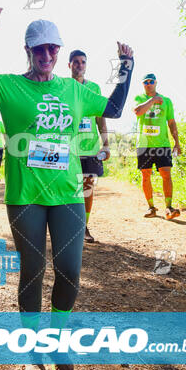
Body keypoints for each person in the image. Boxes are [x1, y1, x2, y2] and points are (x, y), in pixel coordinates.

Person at [0, 5, 134, 370]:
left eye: (54, 49)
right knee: (33, 271)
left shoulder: (73, 89)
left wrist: (125, 67)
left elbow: (115, 108)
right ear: (28, 51)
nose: (48, 56)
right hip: (25, 196)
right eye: (40, 49)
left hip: (68, 193)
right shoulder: (8, 86)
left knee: (69, 272)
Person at [68, 49, 110, 243]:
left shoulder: (94, 88)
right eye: (75, 62)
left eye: (83, 62)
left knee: (86, 187)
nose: (79, 65)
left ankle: (83, 226)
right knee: (69, 187)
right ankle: (67, 226)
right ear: (69, 65)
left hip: (90, 148)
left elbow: (100, 117)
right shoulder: (63, 87)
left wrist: (106, 143)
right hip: (68, 148)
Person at [133, 74, 181, 219]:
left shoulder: (166, 101)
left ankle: (169, 207)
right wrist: (153, 100)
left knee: (166, 174)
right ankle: (151, 207)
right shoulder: (139, 98)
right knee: (146, 175)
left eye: (151, 81)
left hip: (162, 144)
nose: (148, 84)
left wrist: (177, 142)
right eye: (145, 82)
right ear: (143, 84)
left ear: (156, 83)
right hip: (144, 145)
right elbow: (138, 111)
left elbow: (171, 123)